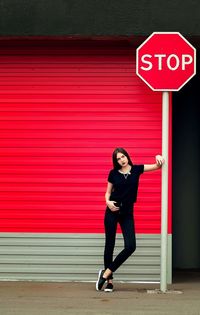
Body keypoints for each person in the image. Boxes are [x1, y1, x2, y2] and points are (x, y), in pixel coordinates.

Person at [96, 147, 164, 292]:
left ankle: (106, 272)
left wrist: (158, 155)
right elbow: (107, 193)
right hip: (112, 211)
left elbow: (158, 165)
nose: (121, 160)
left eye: (123, 156)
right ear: (116, 161)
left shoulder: (137, 169)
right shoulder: (113, 173)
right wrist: (107, 202)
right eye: (118, 159)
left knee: (131, 246)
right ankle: (110, 282)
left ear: (127, 156)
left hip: (127, 212)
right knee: (110, 244)